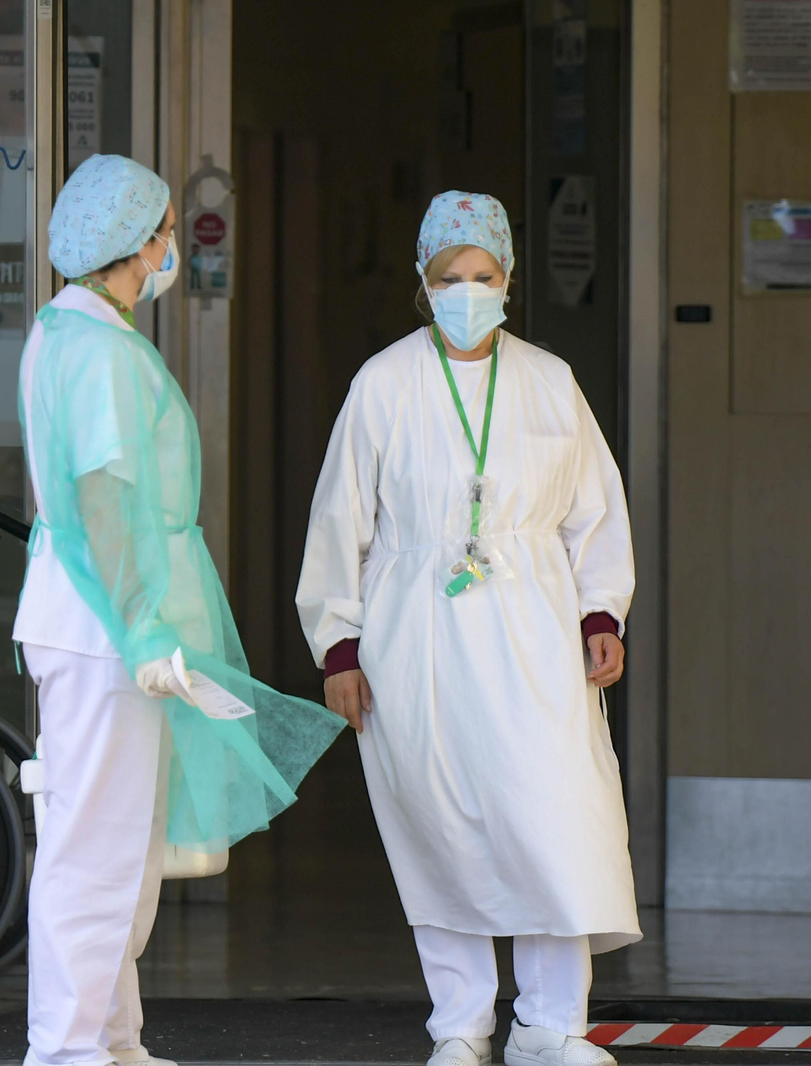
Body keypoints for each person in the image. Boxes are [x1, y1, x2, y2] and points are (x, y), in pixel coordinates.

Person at [295, 191, 639, 1066]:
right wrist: (338, 645)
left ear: (509, 278)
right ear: (423, 281)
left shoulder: (549, 381)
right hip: (419, 636)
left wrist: (601, 610)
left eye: (483, 275)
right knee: (440, 825)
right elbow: (342, 522)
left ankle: (551, 1026)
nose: (468, 290)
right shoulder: (383, 382)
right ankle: (461, 1025)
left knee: (555, 818)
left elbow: (593, 512)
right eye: (451, 277)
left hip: (535, 631)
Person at [15, 154, 341, 1066]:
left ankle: (113, 1042)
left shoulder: (70, 332)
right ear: (133, 242)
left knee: (119, 850)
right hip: (103, 629)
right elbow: (107, 498)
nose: (170, 247)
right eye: (164, 232)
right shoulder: (98, 350)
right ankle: (70, 1050)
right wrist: (145, 628)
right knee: (96, 851)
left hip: (96, 623)